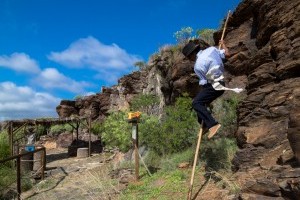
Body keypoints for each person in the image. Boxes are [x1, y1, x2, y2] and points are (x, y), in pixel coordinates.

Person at [182, 39, 230, 139]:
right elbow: (227, 54)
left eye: (188, 57)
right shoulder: (212, 50)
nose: (189, 59)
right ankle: (204, 126)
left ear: (192, 55)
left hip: (214, 85)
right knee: (199, 101)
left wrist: (205, 95)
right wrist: (223, 44)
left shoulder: (197, 66)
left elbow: (204, 83)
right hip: (221, 83)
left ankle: (213, 125)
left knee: (196, 103)